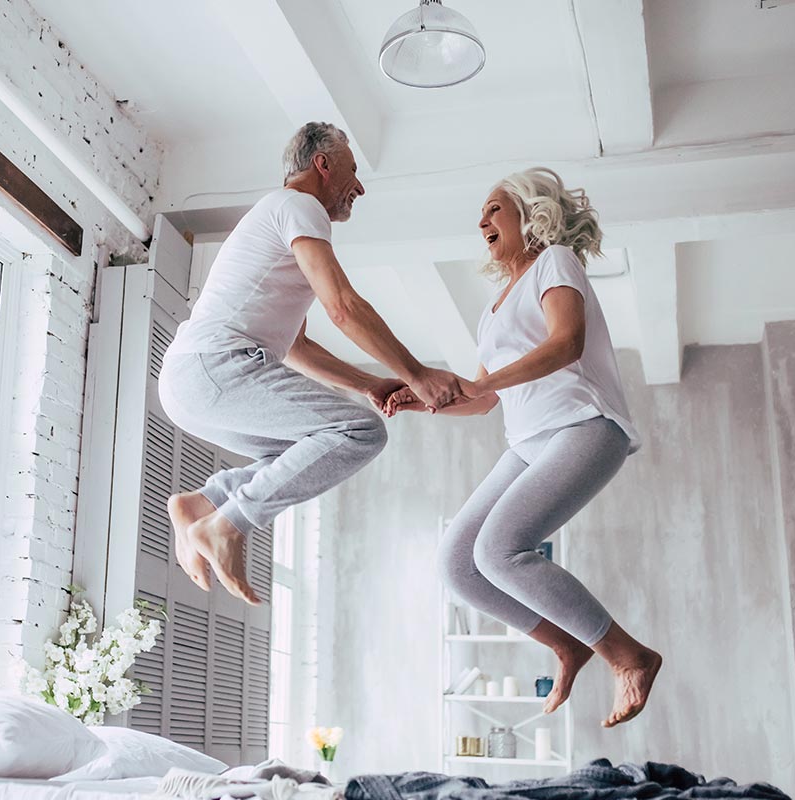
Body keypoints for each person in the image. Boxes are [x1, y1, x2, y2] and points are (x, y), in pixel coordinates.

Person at [387, 167, 662, 728]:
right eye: (481, 214)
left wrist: (479, 384)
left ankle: (628, 655)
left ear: (530, 213)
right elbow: (484, 399)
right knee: (457, 563)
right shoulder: (493, 308)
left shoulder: (555, 261)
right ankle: (568, 643)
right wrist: (422, 401)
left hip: (584, 426)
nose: (481, 221)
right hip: (527, 442)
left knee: (498, 550)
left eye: (493, 208)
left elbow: (567, 342)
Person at [158, 122, 466, 605]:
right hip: (215, 366)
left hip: (190, 379)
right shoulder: (299, 206)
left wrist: (368, 384)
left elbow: (297, 347)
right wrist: (418, 374)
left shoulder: (278, 217)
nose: (359, 187)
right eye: (353, 172)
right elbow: (343, 306)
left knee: (303, 452)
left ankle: (205, 503)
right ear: (323, 164)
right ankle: (228, 524)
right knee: (361, 432)